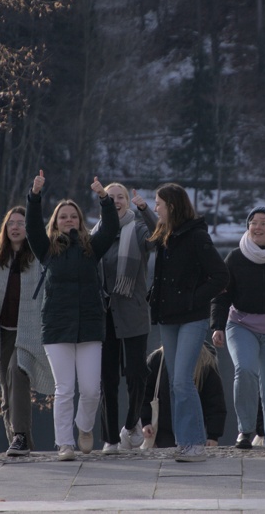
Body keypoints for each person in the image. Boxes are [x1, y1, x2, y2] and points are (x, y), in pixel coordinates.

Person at [24, 169, 119, 461]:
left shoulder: (91, 248)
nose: (68, 220)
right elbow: (32, 227)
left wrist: (104, 198)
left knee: (91, 391)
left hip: (90, 325)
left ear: (80, 221)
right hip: (57, 327)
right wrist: (35, 195)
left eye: (73, 216)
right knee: (64, 389)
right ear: (56, 222)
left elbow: (111, 227)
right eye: (63, 217)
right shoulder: (46, 249)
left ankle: (84, 427)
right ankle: (64, 444)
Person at [147, 183, 229, 462]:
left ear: (171, 206)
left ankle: (194, 443)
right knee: (175, 381)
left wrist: (194, 299)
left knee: (183, 380)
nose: (156, 208)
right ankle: (183, 442)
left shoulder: (196, 236)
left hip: (192, 319)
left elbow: (221, 276)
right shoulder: (165, 234)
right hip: (167, 318)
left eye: (158, 204)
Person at [0, 206, 55, 457]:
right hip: (2, 331)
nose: (16, 227)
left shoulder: (39, 254)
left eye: (21, 223)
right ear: (5, 227)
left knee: (18, 373)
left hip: (30, 330)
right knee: (7, 392)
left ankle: (20, 437)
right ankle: (21, 443)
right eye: (11, 223)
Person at [210, 206, 265, 448]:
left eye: (264, 223)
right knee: (245, 369)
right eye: (253, 222)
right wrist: (217, 326)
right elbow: (221, 295)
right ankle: (245, 431)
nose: (257, 227)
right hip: (241, 325)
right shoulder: (236, 257)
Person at [93, 183, 157, 454]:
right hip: (103, 315)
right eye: (111, 197)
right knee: (107, 379)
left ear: (128, 202)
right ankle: (110, 439)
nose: (116, 201)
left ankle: (131, 425)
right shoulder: (95, 234)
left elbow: (160, 238)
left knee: (136, 374)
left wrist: (145, 209)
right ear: (103, 201)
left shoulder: (138, 229)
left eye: (121, 197)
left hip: (133, 312)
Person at [140, 343, 227, 448]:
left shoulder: (205, 361)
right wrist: (146, 421)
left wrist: (213, 435)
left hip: (191, 429)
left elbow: (215, 400)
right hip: (163, 431)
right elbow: (145, 393)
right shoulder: (158, 358)